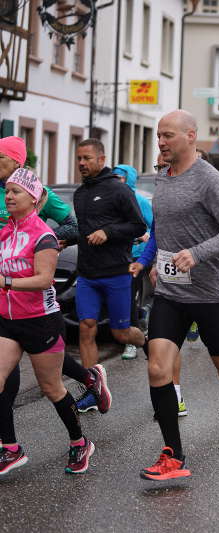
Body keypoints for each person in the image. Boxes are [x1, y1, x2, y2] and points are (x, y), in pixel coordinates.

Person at [139, 110, 219, 480]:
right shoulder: (162, 178)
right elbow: (162, 226)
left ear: (191, 135)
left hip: (211, 292)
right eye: (159, 136)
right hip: (170, 290)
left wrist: (196, 254)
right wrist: (155, 258)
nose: (162, 142)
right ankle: (173, 455)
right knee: (157, 366)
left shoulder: (209, 180)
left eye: (168, 135)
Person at [0, 169, 94, 475]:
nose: (9, 196)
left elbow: (43, 280)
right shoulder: (5, 232)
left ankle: (79, 442)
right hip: (8, 320)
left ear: (34, 198)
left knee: (52, 388)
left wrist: (7, 282)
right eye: (8, 191)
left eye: (16, 192)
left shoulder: (44, 235)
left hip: (41, 320)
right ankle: (11, 449)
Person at [73, 139, 147, 412]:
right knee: (86, 327)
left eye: (87, 158)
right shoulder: (80, 194)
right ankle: (93, 389)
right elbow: (82, 230)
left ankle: (147, 341)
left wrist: (109, 232)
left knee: (121, 333)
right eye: (79, 158)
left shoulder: (118, 190)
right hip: (88, 275)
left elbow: (138, 225)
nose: (82, 163)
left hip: (116, 273)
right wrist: (62, 240)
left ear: (101, 159)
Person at [111, 164, 153, 360]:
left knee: (129, 295)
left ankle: (131, 342)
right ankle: (140, 319)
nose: (115, 180)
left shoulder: (140, 200)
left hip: (137, 255)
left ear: (129, 179)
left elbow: (156, 227)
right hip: (117, 254)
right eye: (113, 176)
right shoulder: (112, 200)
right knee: (121, 297)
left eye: (119, 177)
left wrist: (145, 235)